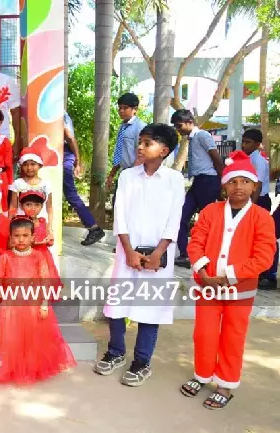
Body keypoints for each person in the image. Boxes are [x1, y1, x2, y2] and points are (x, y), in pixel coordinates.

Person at [182, 150, 276, 410]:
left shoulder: (262, 218)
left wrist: (229, 276)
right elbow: (196, 243)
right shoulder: (210, 211)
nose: (238, 187)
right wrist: (204, 274)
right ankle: (202, 374)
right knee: (204, 334)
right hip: (207, 287)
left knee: (233, 337)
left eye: (245, 181)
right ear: (224, 186)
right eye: (233, 181)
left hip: (240, 292)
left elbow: (264, 257)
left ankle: (225, 383)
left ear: (254, 185)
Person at [94, 124, 185, 387]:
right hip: (128, 252)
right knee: (117, 305)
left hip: (158, 256)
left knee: (149, 308)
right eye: (140, 142)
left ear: (164, 150)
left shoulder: (174, 180)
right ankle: (115, 352)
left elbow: (174, 220)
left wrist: (158, 253)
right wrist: (129, 251)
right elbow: (120, 216)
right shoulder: (127, 176)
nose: (140, 147)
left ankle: (142, 361)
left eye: (147, 143)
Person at [0, 216, 75, 384]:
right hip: (11, 304)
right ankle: (11, 367)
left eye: (25, 236)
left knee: (33, 337)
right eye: (17, 236)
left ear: (33, 237)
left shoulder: (38, 256)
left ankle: (32, 367)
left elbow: (44, 281)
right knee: (12, 337)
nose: (21, 239)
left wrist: (44, 305)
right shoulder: (6, 257)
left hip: (33, 303)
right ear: (11, 237)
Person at [171, 109, 224, 269]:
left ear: (189, 122)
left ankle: (211, 256)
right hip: (198, 181)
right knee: (181, 216)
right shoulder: (192, 139)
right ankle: (185, 255)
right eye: (176, 126)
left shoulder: (202, 135)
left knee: (208, 221)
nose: (178, 130)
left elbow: (216, 159)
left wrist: (223, 183)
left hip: (208, 181)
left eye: (179, 126)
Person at [240, 129, 276, 289]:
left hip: (259, 200)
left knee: (264, 237)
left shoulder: (258, 161)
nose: (244, 145)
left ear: (257, 144)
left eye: (247, 142)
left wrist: (251, 207)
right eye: (243, 141)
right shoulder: (248, 159)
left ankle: (269, 275)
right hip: (252, 200)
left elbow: (258, 185)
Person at [63, 112, 105, 246]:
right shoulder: (61, 112)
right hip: (61, 153)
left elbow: (69, 137)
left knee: (70, 194)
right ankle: (94, 228)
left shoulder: (56, 112)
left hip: (63, 154)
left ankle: (94, 228)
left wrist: (77, 161)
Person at [105, 93, 147, 206]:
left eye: (125, 108)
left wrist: (133, 174)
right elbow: (121, 153)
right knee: (117, 205)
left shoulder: (141, 127)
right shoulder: (122, 127)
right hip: (124, 173)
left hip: (136, 174)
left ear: (135, 109)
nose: (121, 111)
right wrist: (111, 174)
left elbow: (143, 154)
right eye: (120, 108)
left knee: (131, 206)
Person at [9, 148, 53, 234]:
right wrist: (10, 224)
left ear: (39, 165)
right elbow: (13, 206)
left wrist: (49, 227)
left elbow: (49, 208)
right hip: (21, 226)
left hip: (41, 226)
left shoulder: (46, 184)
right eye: (25, 165)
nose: (29, 168)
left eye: (33, 164)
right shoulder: (17, 183)